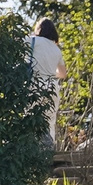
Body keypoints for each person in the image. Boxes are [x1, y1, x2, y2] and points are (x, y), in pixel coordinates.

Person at [27, 15, 66, 145]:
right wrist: (49, 72)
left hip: (34, 86)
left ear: (39, 29)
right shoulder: (56, 49)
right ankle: (49, 154)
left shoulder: (31, 41)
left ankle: (31, 153)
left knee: (29, 119)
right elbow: (62, 74)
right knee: (50, 122)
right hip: (52, 88)